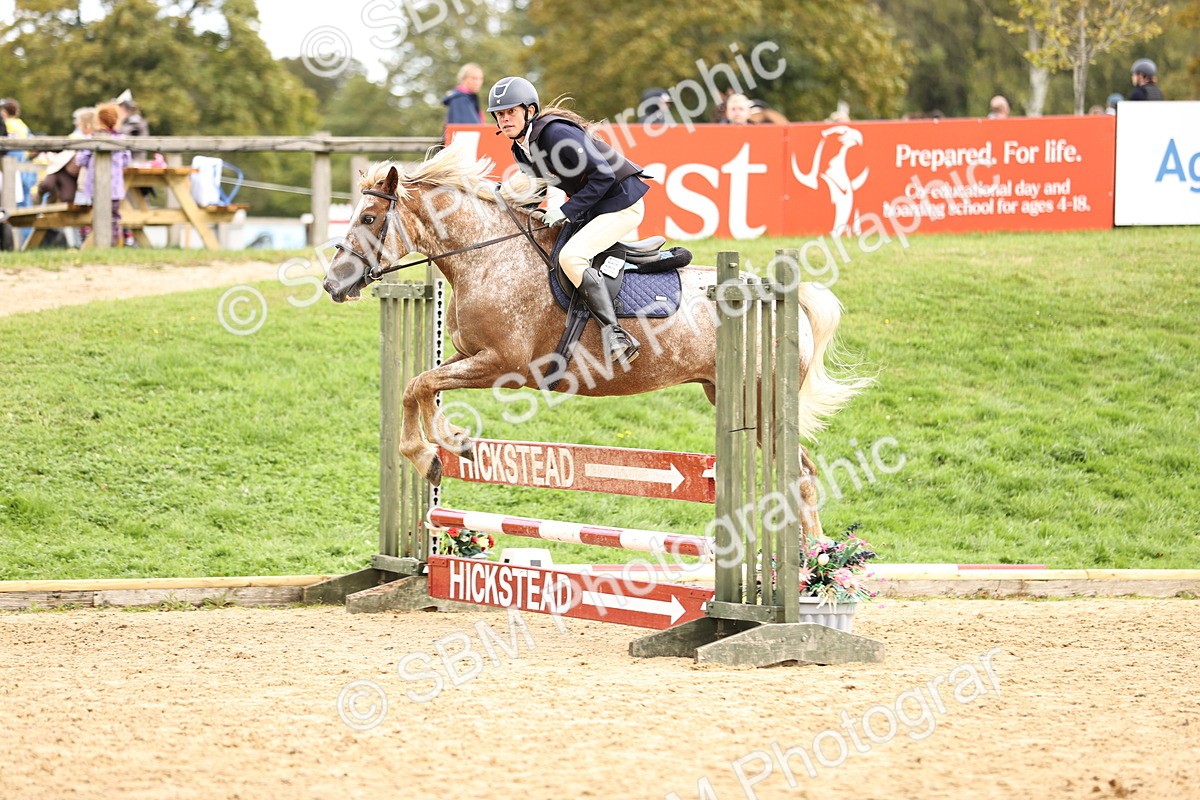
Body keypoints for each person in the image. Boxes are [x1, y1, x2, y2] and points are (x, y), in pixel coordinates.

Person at [487, 75, 650, 366]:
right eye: (499, 115)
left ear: (530, 111)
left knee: (572, 257)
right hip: (595, 207)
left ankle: (616, 334)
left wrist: (565, 210)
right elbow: (535, 190)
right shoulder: (519, 147)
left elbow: (604, 176)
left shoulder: (555, 133)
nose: (505, 119)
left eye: (511, 111)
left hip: (621, 204)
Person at [74, 103, 131, 245]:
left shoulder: (92, 139)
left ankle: (99, 243)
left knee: (98, 215)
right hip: (115, 187)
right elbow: (126, 160)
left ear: (98, 121)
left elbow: (80, 159)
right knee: (113, 217)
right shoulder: (121, 140)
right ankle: (111, 243)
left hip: (96, 186)